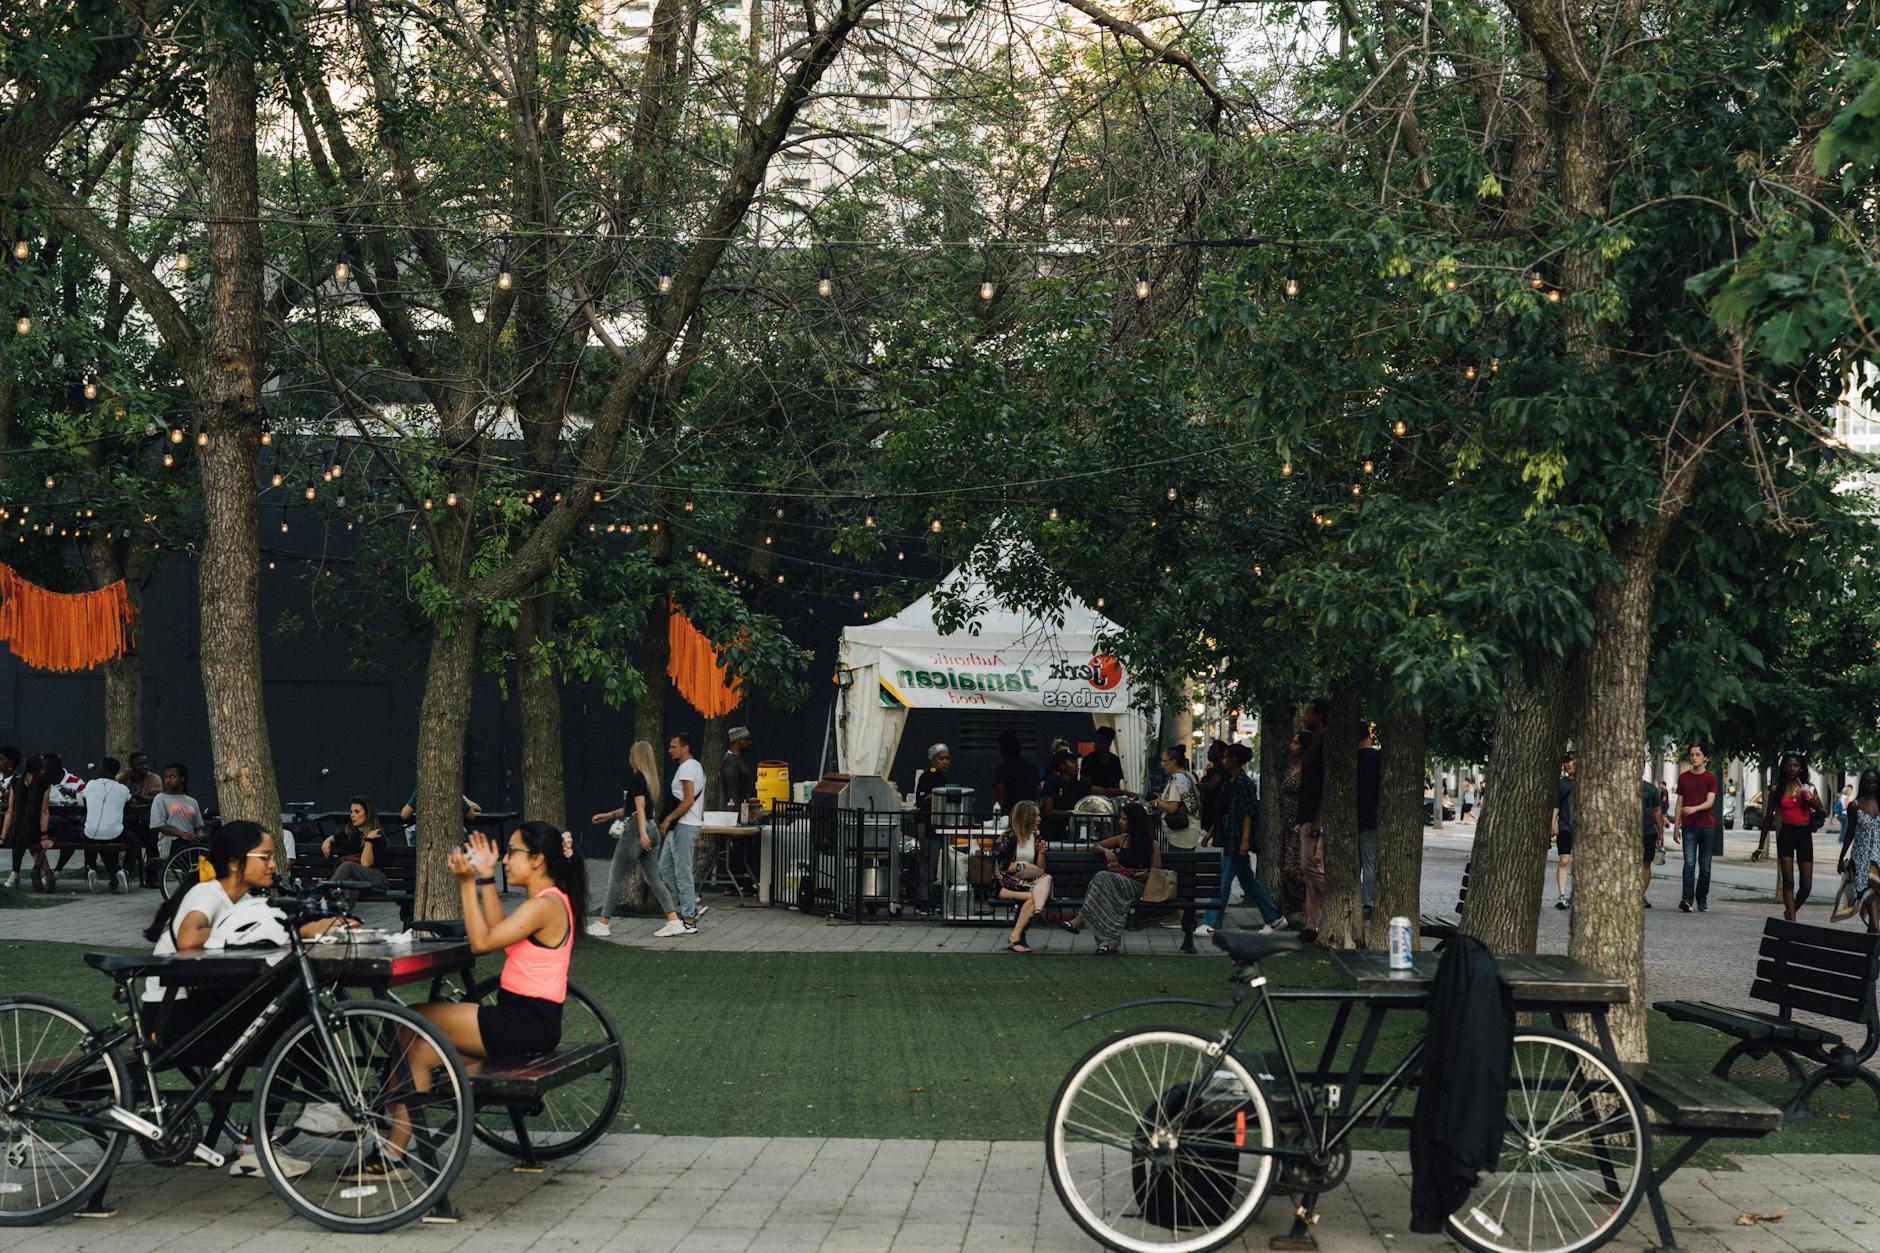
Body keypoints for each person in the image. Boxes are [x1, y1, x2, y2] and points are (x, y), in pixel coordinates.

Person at [375, 822, 586, 1183]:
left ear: (536, 860)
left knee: (410, 1019)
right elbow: (501, 931)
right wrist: (486, 877)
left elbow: (481, 942)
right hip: (527, 1022)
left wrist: (468, 882)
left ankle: (388, 1108)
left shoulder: (545, 905)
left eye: (512, 852)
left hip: (522, 1024)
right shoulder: (546, 902)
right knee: (418, 1052)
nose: (506, 859)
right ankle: (393, 1154)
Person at [141, 819, 348, 1178]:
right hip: (173, 1019)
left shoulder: (245, 901)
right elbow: (190, 938)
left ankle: (274, 1133)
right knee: (289, 1026)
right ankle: (293, 1121)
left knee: (289, 1021)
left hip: (202, 1011)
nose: (273, 865)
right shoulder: (209, 894)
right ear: (236, 862)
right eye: (265, 856)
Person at [590, 739, 689, 938]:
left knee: (616, 877)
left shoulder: (636, 779)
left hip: (637, 831)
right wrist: (609, 815)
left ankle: (603, 923)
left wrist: (641, 832)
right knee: (654, 879)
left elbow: (639, 809)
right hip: (652, 829)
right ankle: (673, 920)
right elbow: (636, 808)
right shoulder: (651, 781)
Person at [1200, 743, 1283, 936]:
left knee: (1224, 879)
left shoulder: (1245, 784)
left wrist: (1245, 840)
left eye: (1227, 757)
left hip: (1237, 836)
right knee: (1247, 881)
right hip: (1229, 834)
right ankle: (1274, 917)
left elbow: (1248, 813)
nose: (1223, 760)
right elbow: (1223, 809)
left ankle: (1212, 922)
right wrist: (1211, 832)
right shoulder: (1231, 782)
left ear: (1235, 760)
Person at [1057, 800, 1160, 955]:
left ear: (1134, 821)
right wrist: (1106, 852)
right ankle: (1109, 944)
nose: (1120, 821)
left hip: (1138, 886)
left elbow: (1155, 874)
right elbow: (1096, 845)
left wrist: (1127, 871)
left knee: (1102, 877)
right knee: (1103, 888)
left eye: (1124, 819)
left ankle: (1079, 921)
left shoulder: (1152, 845)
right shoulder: (1122, 839)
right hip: (1116, 883)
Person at [1754, 751, 1827, 921]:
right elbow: (1767, 820)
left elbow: (1822, 813)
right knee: (1788, 881)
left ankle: (1790, 911)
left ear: (1801, 768)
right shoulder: (1776, 789)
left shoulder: (1808, 788)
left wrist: (1811, 799)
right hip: (1786, 833)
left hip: (1804, 834)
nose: (1792, 768)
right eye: (1788, 765)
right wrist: (1759, 846)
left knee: (1806, 886)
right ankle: (1792, 920)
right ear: (1783, 768)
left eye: (1795, 765)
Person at [660, 732, 707, 930]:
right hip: (685, 825)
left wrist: (668, 819)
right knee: (665, 868)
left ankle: (689, 917)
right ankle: (688, 905)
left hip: (684, 825)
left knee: (681, 871)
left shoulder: (687, 768)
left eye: (674, 746)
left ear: (685, 748)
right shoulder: (694, 767)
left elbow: (688, 800)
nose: (670, 750)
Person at [993, 800, 1052, 952]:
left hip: (1029, 881)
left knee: (1047, 878)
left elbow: (1040, 869)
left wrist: (1042, 854)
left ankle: (1018, 934)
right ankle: (1018, 937)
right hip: (1006, 882)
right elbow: (1003, 867)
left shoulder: (1035, 837)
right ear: (1025, 817)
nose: (1039, 819)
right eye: (1035, 816)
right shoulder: (1007, 838)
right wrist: (1023, 866)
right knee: (1034, 895)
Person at [1295, 699, 1329, 941]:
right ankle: (1311, 924)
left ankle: (1337, 903)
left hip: (1315, 817)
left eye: (1308, 711)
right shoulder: (1316, 743)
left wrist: (1318, 818)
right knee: (1309, 871)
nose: (1304, 716)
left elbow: (1325, 784)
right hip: (1307, 815)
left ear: (1317, 715)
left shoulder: (1325, 743)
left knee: (1313, 866)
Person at [1675, 743, 1720, 912]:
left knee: (1705, 866)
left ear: (1705, 758)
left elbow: (1710, 802)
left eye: (1698, 755)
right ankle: (1687, 900)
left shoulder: (1711, 778)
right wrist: (1676, 826)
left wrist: (1694, 808)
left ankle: (1702, 898)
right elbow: (1679, 803)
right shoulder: (1684, 778)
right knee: (1689, 864)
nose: (1694, 757)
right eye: (1692, 754)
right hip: (1689, 828)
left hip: (1707, 827)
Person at [1836, 768, 1880, 933]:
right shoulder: (1855, 806)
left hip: (1879, 857)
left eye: (1874, 781)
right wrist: (1841, 858)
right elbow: (1849, 833)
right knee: (1870, 895)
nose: (1871, 785)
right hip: (1861, 860)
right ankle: (1874, 932)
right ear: (1862, 783)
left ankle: (1871, 950)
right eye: (1868, 781)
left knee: (1874, 902)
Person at [82, 757, 133, 894]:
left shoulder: (91, 784)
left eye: (99, 767)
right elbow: (129, 800)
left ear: (104, 769)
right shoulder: (123, 789)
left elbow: (84, 800)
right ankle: (125, 871)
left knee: (90, 835)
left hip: (90, 833)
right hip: (114, 834)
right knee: (135, 842)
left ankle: (91, 868)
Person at [2, 755, 51, 892]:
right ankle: (46, 874)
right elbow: (44, 811)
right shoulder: (45, 783)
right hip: (35, 828)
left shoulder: (16, 782)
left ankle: (14, 875)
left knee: (20, 840)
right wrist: (44, 833)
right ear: (40, 767)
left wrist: (2, 836)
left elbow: (10, 811)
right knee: (36, 845)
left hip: (16, 828)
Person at [719, 725, 758, 892]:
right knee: (738, 848)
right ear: (738, 742)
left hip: (740, 812)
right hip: (734, 815)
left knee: (744, 847)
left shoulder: (736, 761)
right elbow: (733, 792)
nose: (749, 743)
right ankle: (735, 884)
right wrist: (741, 814)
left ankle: (742, 882)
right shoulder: (730, 764)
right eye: (746, 740)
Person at [322, 796, 389, 890]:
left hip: (375, 882)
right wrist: (327, 841)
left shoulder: (377, 836)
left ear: (368, 813)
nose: (352, 815)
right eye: (351, 812)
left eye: (357, 812)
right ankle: (340, 903)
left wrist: (369, 841)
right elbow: (334, 838)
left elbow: (366, 864)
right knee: (349, 885)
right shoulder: (350, 834)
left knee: (347, 866)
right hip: (356, 883)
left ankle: (325, 892)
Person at [150, 762, 204, 858]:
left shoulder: (192, 801)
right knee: (184, 846)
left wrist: (200, 835)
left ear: (183, 778)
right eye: (166, 777)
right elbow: (157, 825)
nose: (167, 780)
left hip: (190, 841)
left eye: (172, 777)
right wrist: (182, 834)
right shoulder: (160, 798)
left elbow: (198, 826)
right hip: (171, 842)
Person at [1356, 723, 1382, 917]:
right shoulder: (1378, 759)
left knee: (1352, 863)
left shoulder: (1349, 759)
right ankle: (1368, 902)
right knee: (1369, 863)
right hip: (1372, 818)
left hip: (1351, 817)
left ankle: (1352, 899)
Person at [1153, 746, 1200, 851]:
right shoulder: (1188, 775)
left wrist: (1157, 803)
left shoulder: (1178, 779)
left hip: (1181, 837)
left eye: (1164, 761)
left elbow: (1172, 808)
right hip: (1189, 832)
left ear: (1173, 762)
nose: (1162, 764)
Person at [1039, 748, 1091, 840]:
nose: (1076, 765)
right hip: (1052, 830)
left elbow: (1099, 792)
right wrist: (1070, 813)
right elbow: (1047, 810)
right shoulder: (1052, 782)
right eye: (1072, 762)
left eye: (1076, 761)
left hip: (1073, 831)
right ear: (1062, 766)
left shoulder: (1080, 785)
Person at [992, 729, 1039, 813]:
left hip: (1011, 812)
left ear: (1003, 750)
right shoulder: (1031, 767)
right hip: (1029, 810)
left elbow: (1000, 794)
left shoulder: (1001, 770)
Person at [1551, 754, 1576, 910]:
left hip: (1584, 830)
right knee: (1564, 860)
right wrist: (1553, 822)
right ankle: (1562, 895)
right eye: (1565, 762)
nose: (1567, 765)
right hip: (1565, 826)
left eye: (1569, 761)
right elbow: (1556, 804)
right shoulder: (1562, 784)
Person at [1640, 767, 1666, 908]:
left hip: (1649, 831)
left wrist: (1660, 832)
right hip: (1629, 833)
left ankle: (1641, 895)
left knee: (1645, 864)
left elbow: (1657, 810)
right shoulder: (1623, 787)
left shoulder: (1650, 789)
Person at [1079, 725, 1128, 797]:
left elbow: (1116, 784)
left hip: (1112, 798)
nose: (1096, 745)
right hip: (1093, 798)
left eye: (1100, 742)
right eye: (1095, 741)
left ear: (1109, 743)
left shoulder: (1115, 761)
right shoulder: (1088, 760)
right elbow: (1085, 786)